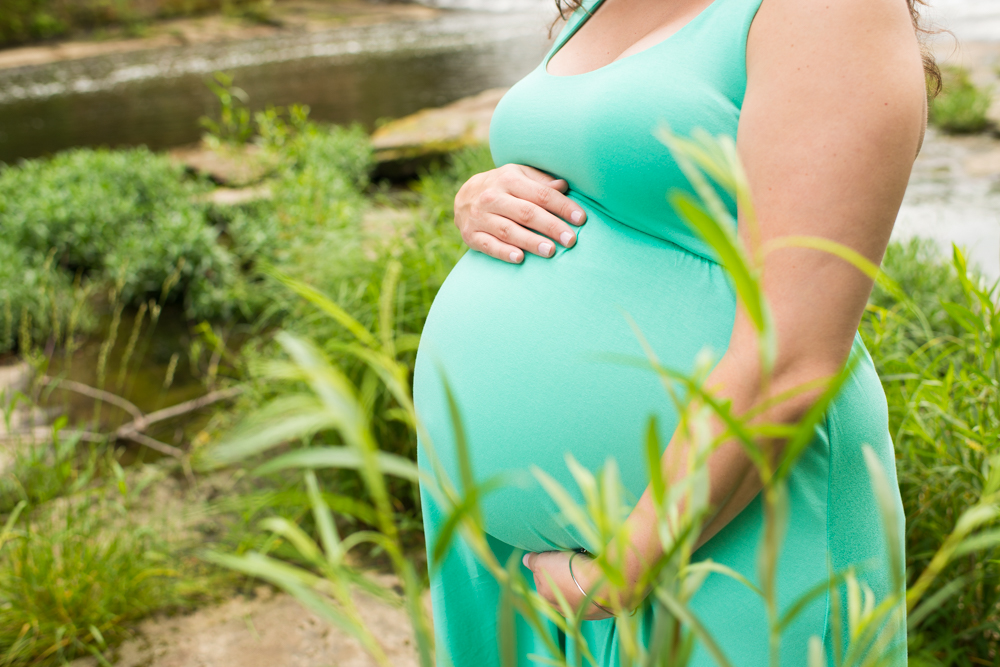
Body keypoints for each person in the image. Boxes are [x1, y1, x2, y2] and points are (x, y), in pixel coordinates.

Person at [412, 0, 933, 663]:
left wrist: (618, 574)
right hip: (517, 563)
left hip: (721, 532)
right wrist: (481, 194)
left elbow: (793, 357)